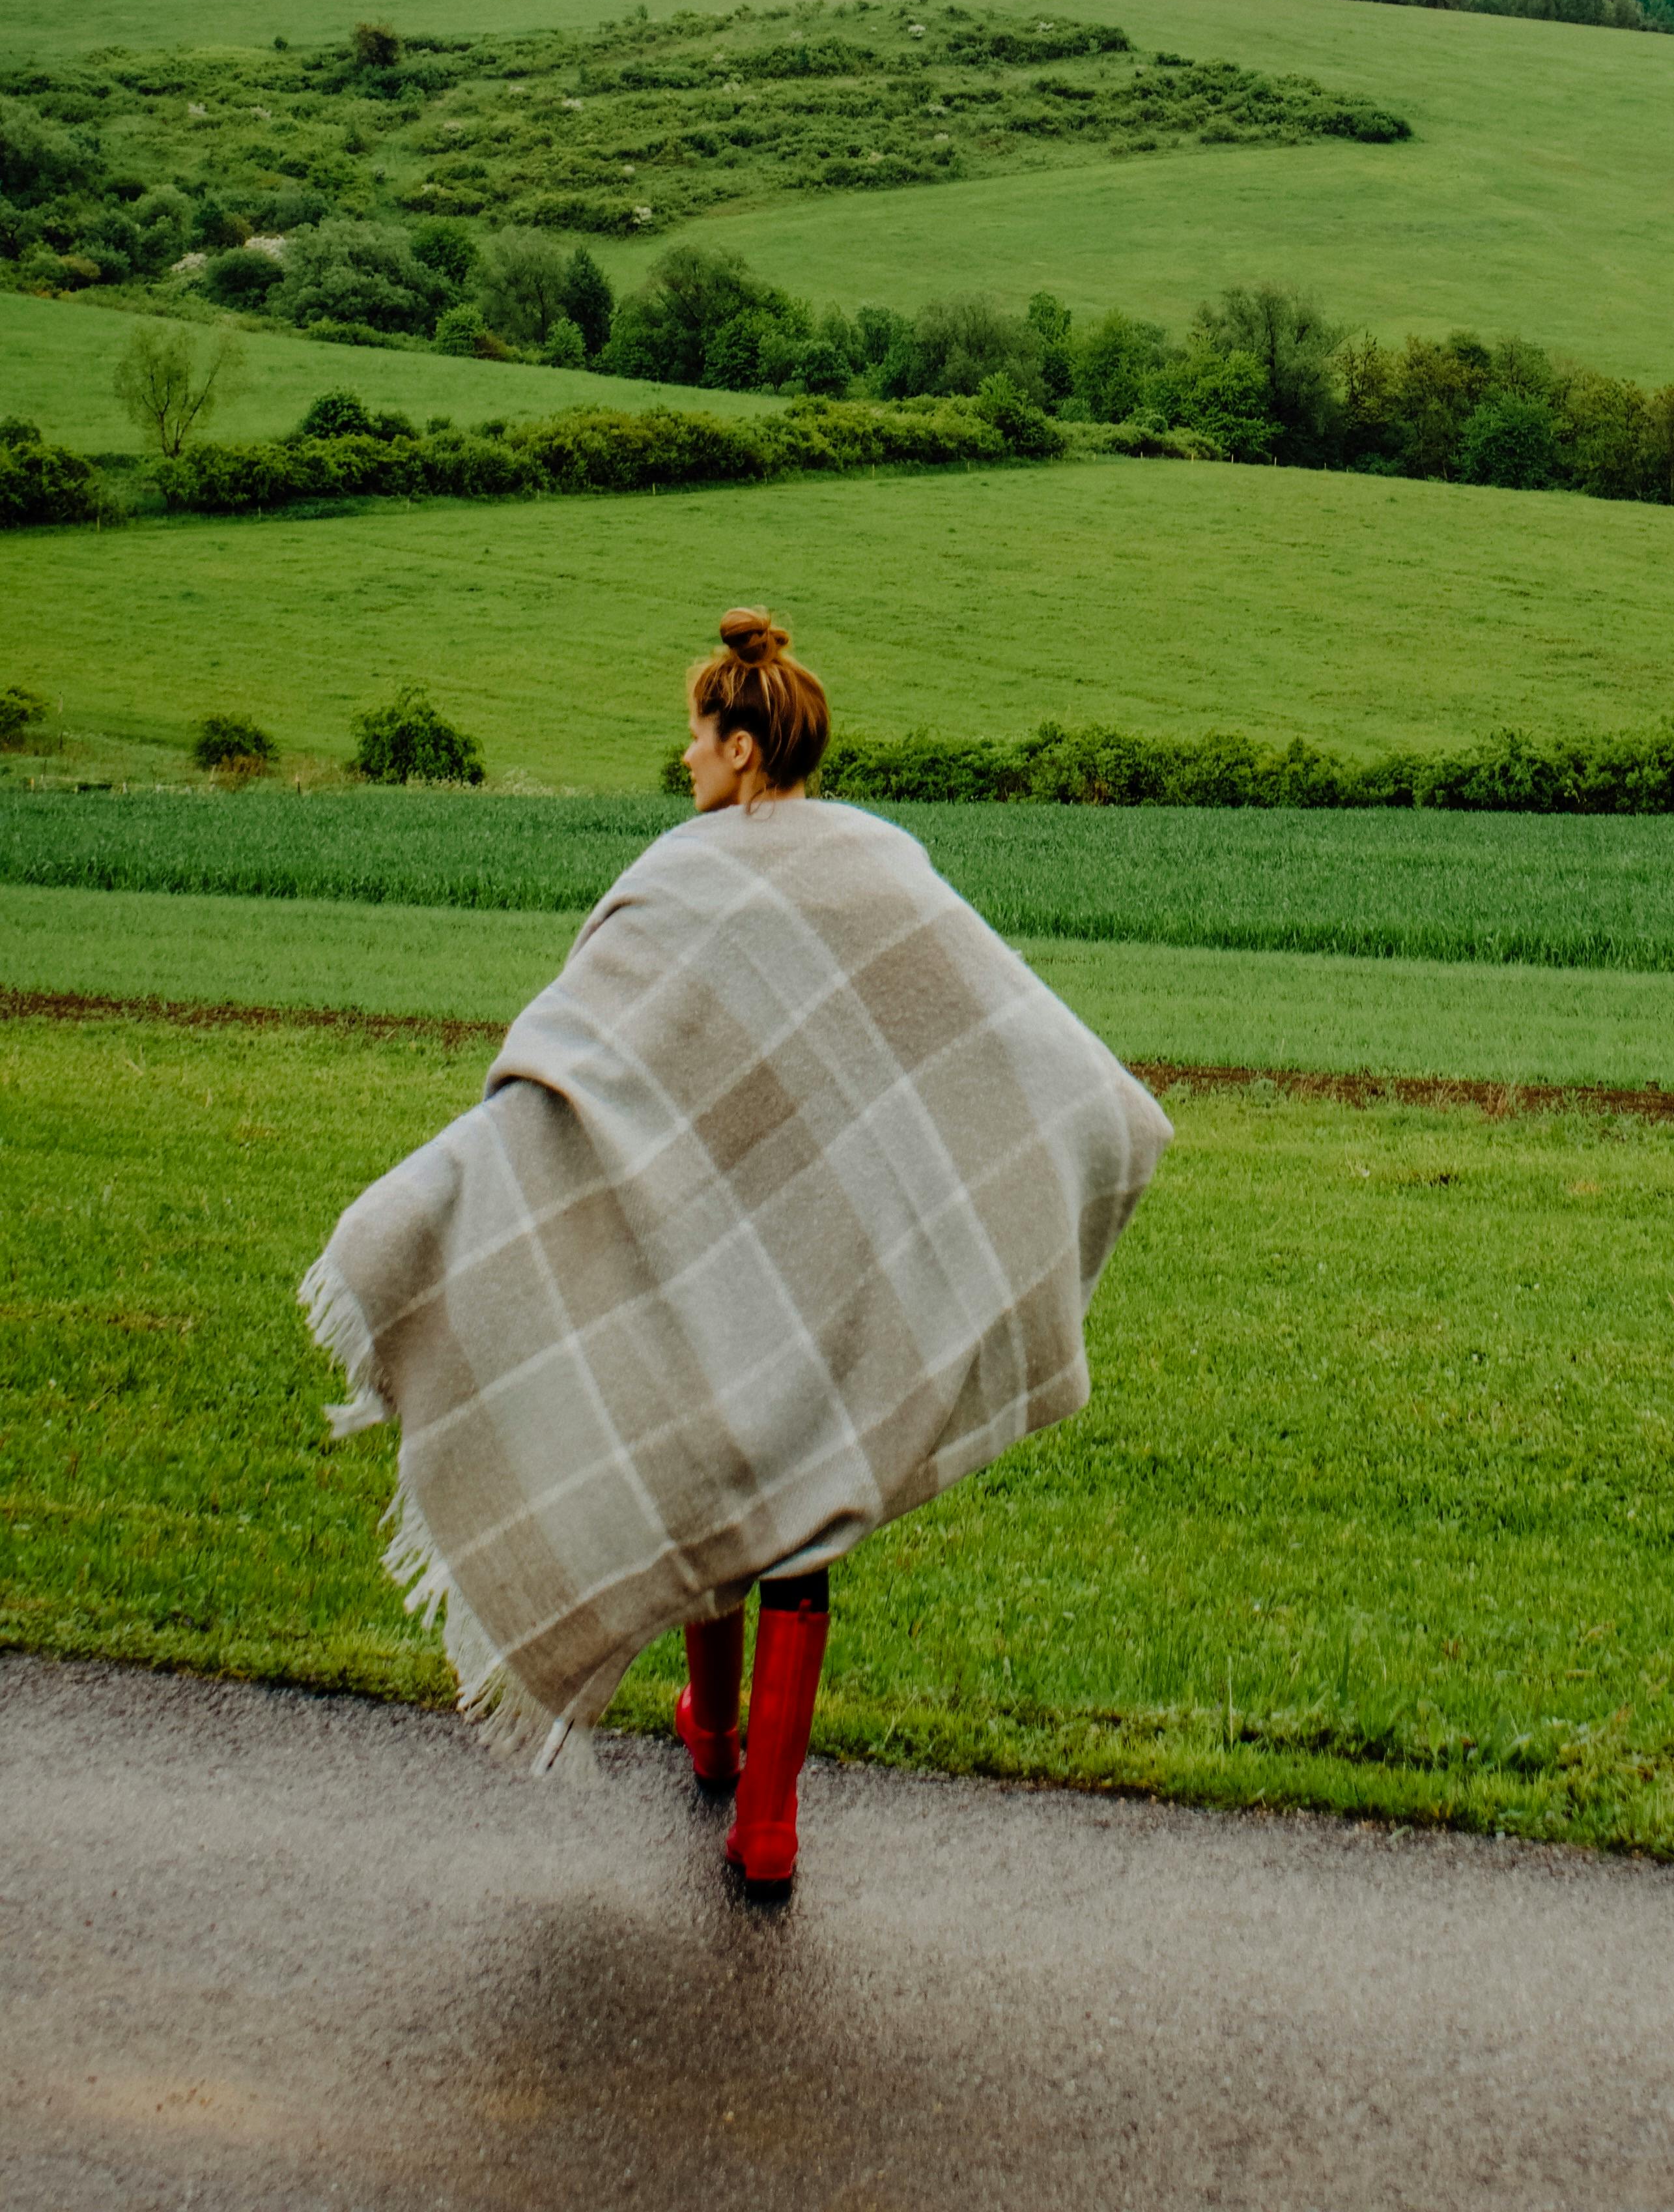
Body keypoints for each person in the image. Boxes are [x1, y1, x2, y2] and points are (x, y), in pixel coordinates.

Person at [302, 607, 1170, 1897]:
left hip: (712, 1240)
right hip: (829, 1248)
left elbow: (580, 1055)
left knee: (709, 1448)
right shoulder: (884, 861)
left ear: (743, 746)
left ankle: (712, 1739)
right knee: (799, 1514)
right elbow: (985, 1020)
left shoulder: (682, 873)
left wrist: (480, 1169)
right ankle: (761, 1816)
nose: (690, 765)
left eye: (698, 743)